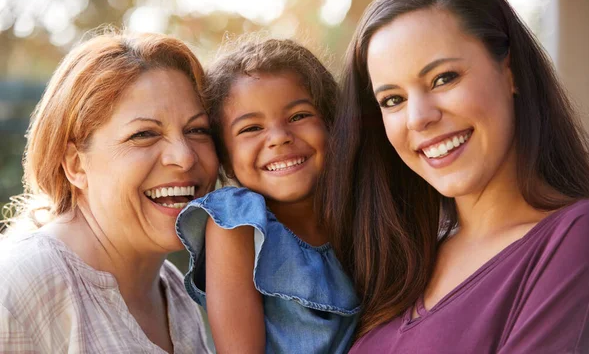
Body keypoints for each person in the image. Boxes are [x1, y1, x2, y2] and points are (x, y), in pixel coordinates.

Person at [318, 0, 589, 353]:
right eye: (393, 100)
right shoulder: (401, 263)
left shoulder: (578, 236)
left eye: (442, 78)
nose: (419, 118)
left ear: (511, 71)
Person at [0, 31, 218, 353]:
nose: (185, 157)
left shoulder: (175, 289)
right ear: (75, 165)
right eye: (143, 134)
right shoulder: (21, 285)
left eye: (197, 130)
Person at [175, 38, 360, 353]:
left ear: (331, 123)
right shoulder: (234, 224)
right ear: (225, 155)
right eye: (251, 129)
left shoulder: (360, 209)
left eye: (298, 116)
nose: (279, 138)